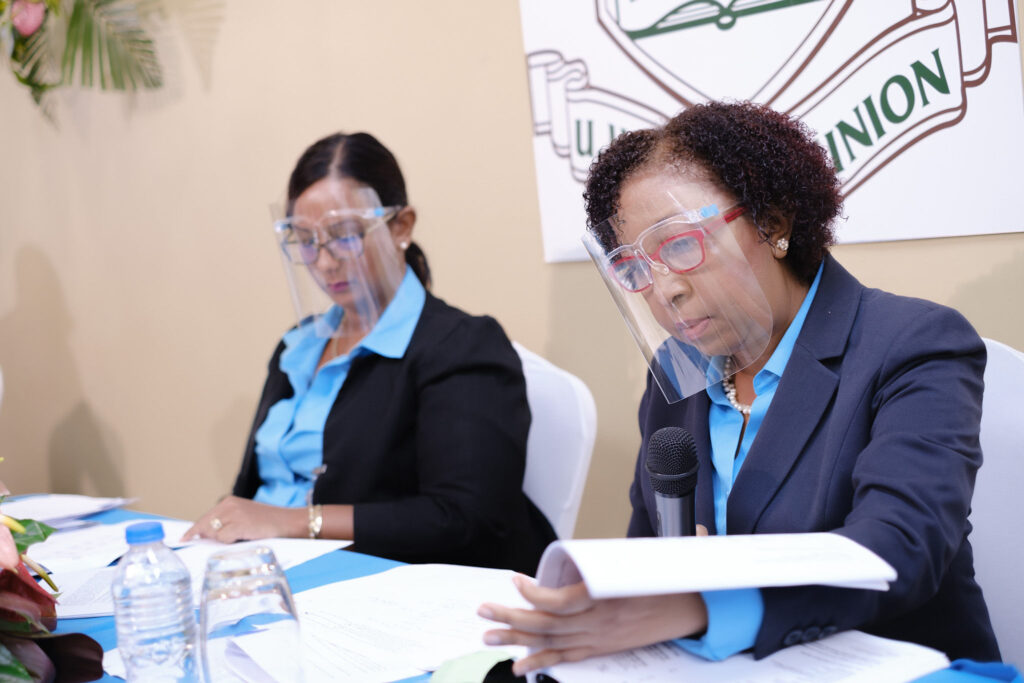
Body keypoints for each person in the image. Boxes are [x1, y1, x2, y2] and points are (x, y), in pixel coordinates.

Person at [479, 101, 1000, 673]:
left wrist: (702, 607)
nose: (663, 291)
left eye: (680, 244)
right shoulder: (677, 372)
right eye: (635, 268)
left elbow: (902, 546)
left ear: (772, 224)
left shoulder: (914, 343)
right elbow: (645, 553)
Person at [184, 132, 555, 573]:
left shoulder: (461, 345)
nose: (324, 262)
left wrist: (292, 522)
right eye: (305, 240)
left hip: (375, 578)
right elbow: (255, 490)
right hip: (266, 568)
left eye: (344, 235)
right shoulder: (299, 345)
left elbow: (464, 517)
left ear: (401, 226)